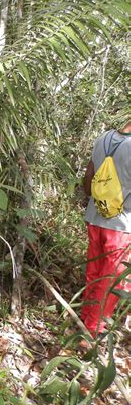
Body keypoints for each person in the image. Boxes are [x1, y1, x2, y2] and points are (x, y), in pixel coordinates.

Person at [82, 112, 131, 337]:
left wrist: (94, 204)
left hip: (95, 218)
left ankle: (85, 317)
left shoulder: (103, 138)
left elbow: (89, 177)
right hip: (121, 225)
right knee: (113, 279)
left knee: (94, 271)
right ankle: (94, 328)